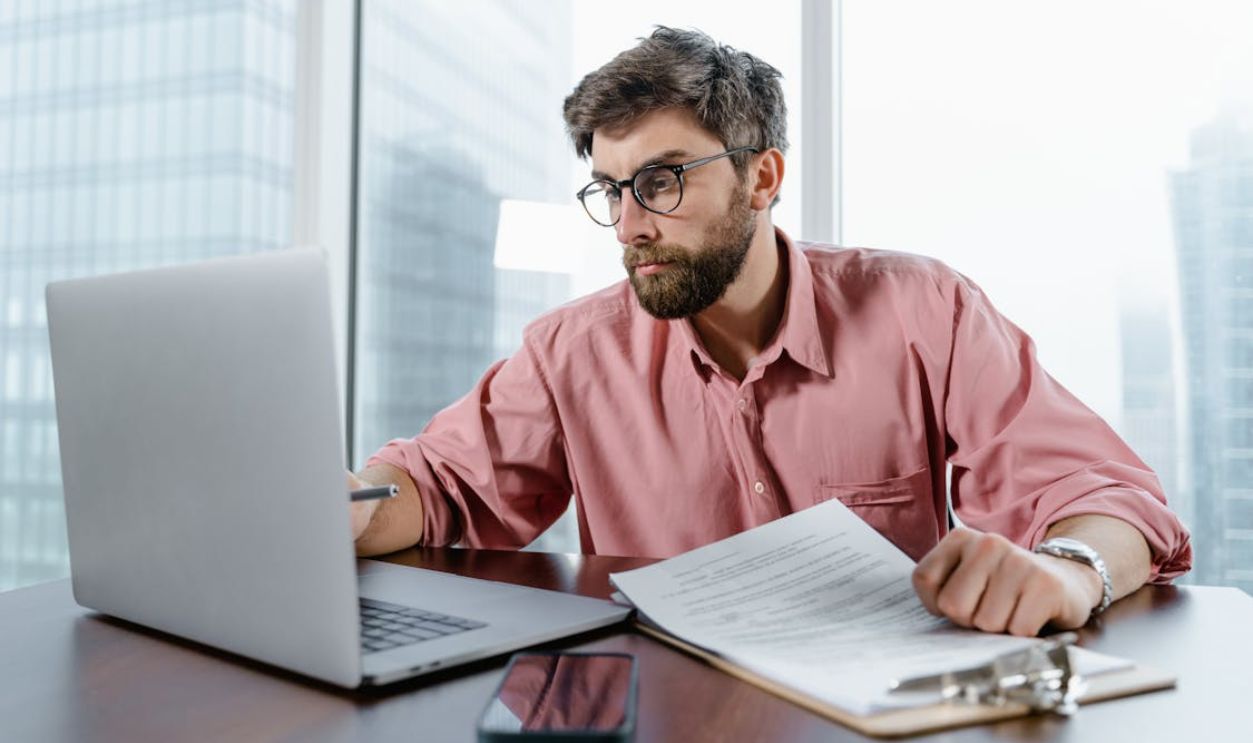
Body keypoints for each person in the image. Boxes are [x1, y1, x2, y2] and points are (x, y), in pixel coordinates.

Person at [347, 27, 1191, 637]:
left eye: (661, 180)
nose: (628, 223)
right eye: (610, 189)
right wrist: (334, 506)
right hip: (668, 705)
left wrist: (1068, 570)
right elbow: (434, 485)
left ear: (762, 176)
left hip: (876, 712)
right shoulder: (572, 351)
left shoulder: (921, 310)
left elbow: (1103, 495)